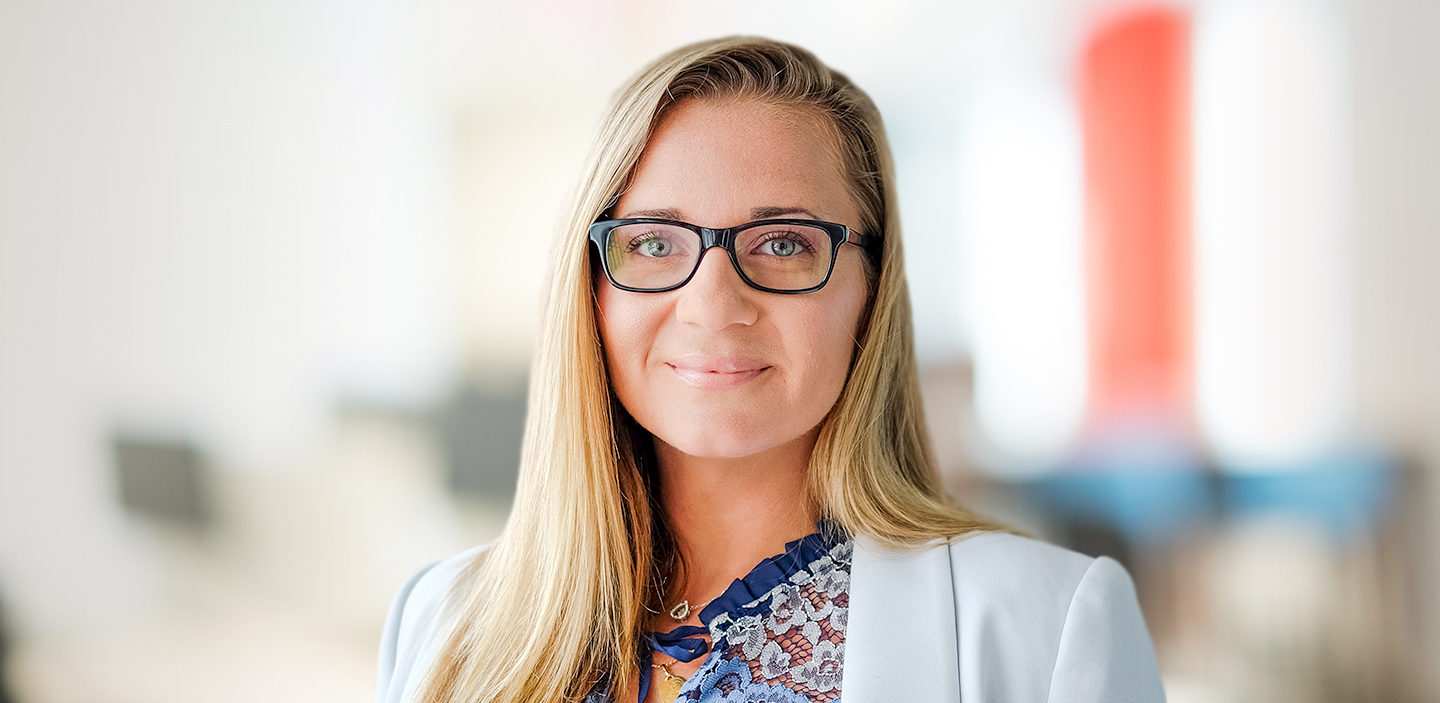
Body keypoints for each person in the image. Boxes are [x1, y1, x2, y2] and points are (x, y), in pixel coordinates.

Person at [375, 37, 1166, 703]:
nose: (713, 305)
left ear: (870, 290)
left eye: (783, 243)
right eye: (653, 243)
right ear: (591, 291)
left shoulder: (1054, 623)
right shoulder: (441, 618)